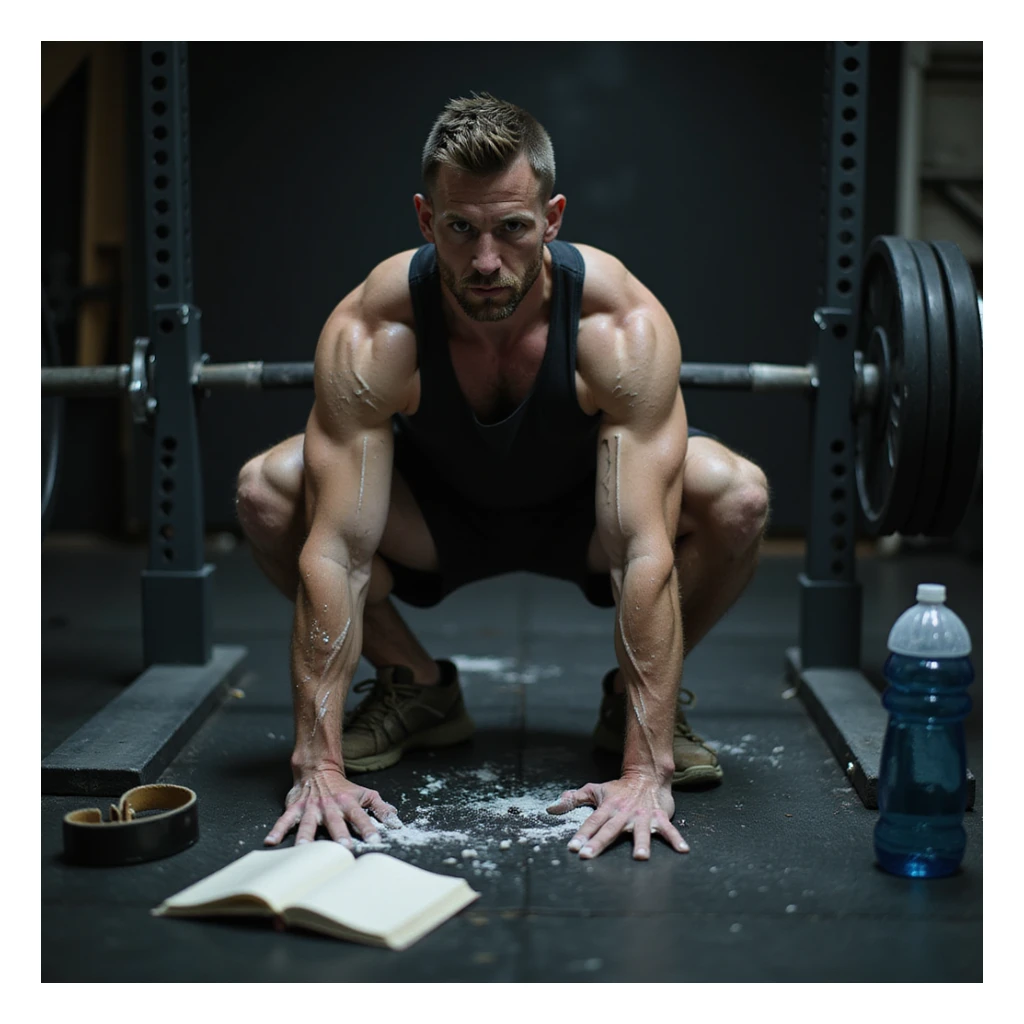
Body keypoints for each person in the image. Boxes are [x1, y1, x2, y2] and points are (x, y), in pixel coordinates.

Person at [236, 93, 770, 862]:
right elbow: (339, 553)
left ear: (552, 219)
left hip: (585, 517)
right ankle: (416, 685)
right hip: (434, 520)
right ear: (426, 220)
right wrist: (317, 766)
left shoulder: (618, 328)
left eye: (513, 229)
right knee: (268, 489)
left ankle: (635, 709)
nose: (486, 261)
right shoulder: (375, 328)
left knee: (738, 495)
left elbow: (640, 551)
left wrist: (644, 771)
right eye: (461, 229)